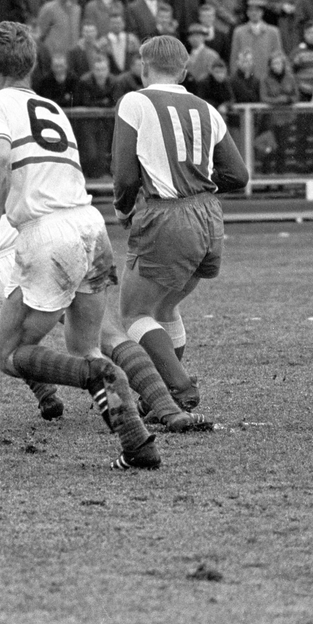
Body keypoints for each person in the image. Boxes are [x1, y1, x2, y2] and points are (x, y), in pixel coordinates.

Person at [0, 108, 214, 435]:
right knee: (105, 338)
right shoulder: (31, 161)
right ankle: (165, 410)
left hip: (14, 261)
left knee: (10, 350)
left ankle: (53, 392)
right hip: (78, 236)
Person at [0, 21, 159, 469]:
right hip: (90, 228)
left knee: (11, 355)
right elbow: (38, 172)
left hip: (49, 235)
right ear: (32, 64)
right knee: (84, 343)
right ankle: (137, 443)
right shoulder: (50, 106)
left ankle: (98, 375)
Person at [111, 35, 249, 415]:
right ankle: (160, 395)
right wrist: (198, 185)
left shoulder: (136, 101)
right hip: (209, 216)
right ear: (185, 70)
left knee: (133, 313)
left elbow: (124, 176)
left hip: (167, 215)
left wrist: (123, 209)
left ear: (143, 66)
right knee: (166, 308)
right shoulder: (206, 107)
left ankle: (180, 388)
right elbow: (238, 175)